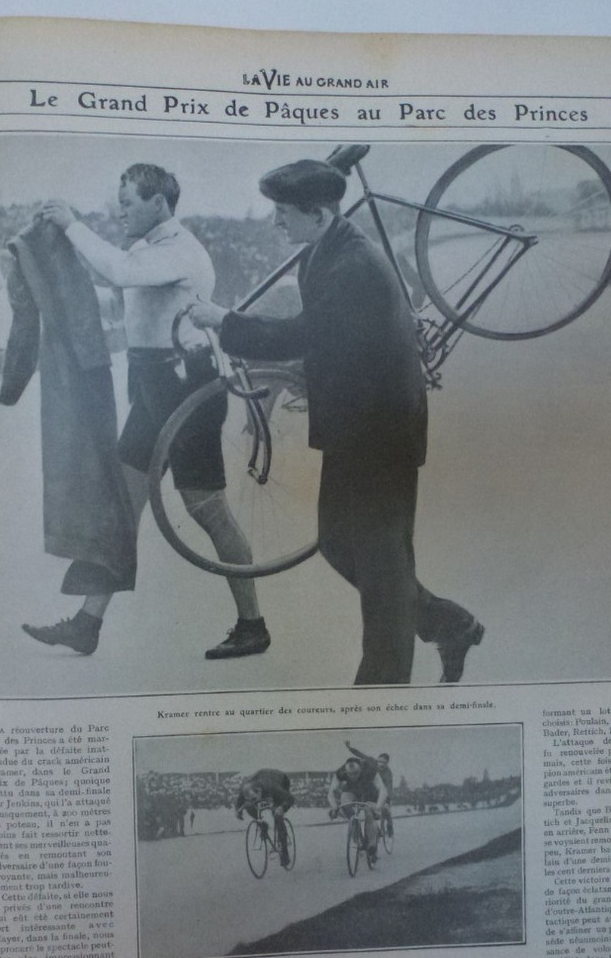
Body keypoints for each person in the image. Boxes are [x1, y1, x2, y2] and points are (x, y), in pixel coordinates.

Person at [190, 157, 483, 684]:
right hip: (355, 425)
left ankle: (381, 687)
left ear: (319, 214)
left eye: (283, 214)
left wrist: (226, 323)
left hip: (380, 433)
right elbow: (327, 341)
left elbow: (303, 334)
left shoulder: (352, 266)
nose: (275, 223)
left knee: (382, 565)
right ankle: (449, 623)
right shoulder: (324, 251)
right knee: (337, 544)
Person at [22, 163, 270, 661]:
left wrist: (72, 224)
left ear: (158, 203)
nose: (121, 210)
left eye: (129, 202)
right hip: (153, 391)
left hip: (190, 393)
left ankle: (253, 625)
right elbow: (122, 303)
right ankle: (87, 625)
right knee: (122, 504)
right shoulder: (144, 250)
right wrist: (47, 278)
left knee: (209, 512)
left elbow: (116, 272)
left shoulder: (178, 251)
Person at [328, 746, 387, 863]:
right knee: (344, 802)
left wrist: (378, 807)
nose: (353, 776)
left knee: (368, 812)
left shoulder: (369, 770)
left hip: (368, 792)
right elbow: (331, 792)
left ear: (360, 768)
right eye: (350, 774)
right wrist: (334, 806)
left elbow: (383, 790)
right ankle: (357, 834)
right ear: (346, 771)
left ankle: (371, 845)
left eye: (356, 773)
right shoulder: (340, 772)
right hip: (351, 790)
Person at [234, 769, 295, 867]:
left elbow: (290, 798)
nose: (254, 801)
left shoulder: (272, 787)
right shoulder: (244, 788)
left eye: (255, 798)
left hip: (281, 780)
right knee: (249, 806)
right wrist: (238, 811)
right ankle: (262, 824)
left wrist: (282, 807)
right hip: (259, 779)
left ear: (259, 791)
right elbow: (239, 802)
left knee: (277, 815)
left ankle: (285, 853)